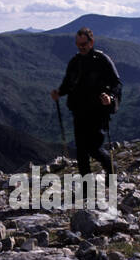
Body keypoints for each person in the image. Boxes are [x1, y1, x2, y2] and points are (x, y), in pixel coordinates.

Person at [51, 28, 119, 196]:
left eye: (84, 44)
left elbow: (116, 83)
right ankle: (86, 189)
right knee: (81, 151)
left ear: (91, 42)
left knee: (93, 147)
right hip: (79, 110)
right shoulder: (75, 62)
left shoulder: (102, 60)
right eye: (78, 44)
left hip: (98, 111)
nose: (81, 47)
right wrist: (59, 92)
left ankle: (111, 167)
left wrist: (110, 98)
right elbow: (68, 83)